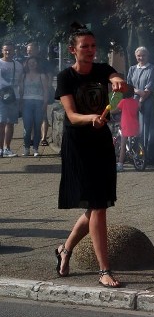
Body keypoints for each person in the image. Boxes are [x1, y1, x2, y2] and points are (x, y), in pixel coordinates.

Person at [54, 23, 127, 288]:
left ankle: (65, 249)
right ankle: (103, 269)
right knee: (97, 206)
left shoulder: (102, 69)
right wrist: (91, 118)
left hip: (101, 142)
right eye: (85, 47)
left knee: (97, 205)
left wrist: (118, 81)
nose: (90, 51)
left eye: (93, 46)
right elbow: (72, 115)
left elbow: (118, 81)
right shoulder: (66, 77)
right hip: (78, 144)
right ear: (73, 50)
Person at [126, 46, 154, 154]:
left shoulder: (152, 69)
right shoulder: (132, 69)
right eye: (139, 55)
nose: (141, 57)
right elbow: (128, 87)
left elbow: (148, 90)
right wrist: (137, 92)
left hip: (146, 102)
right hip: (133, 101)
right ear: (136, 56)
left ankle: (145, 154)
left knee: (145, 127)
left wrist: (140, 100)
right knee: (133, 127)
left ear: (147, 56)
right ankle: (133, 152)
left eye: (143, 55)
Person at [18, 56, 50, 157]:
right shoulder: (23, 75)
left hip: (39, 102)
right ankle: (26, 148)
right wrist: (20, 103)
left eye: (34, 62)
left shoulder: (42, 75)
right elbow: (21, 91)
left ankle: (35, 148)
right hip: (26, 102)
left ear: (37, 64)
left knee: (37, 126)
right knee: (27, 128)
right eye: (30, 62)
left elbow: (46, 90)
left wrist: (45, 103)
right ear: (27, 64)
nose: (32, 64)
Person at [0, 43, 21, 156]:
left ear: (14, 51)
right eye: (6, 50)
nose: (8, 52)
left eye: (10, 50)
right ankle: (0, 149)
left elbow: (21, 82)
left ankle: (7, 148)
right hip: (0, 97)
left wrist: (21, 98)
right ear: (2, 50)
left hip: (14, 96)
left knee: (10, 123)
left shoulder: (18, 65)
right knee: (1, 123)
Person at [115, 89, 140, 172]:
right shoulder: (136, 102)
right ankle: (137, 154)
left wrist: (109, 112)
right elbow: (139, 108)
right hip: (135, 125)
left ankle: (120, 164)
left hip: (126, 125)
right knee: (135, 140)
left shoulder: (123, 101)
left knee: (123, 146)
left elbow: (117, 110)